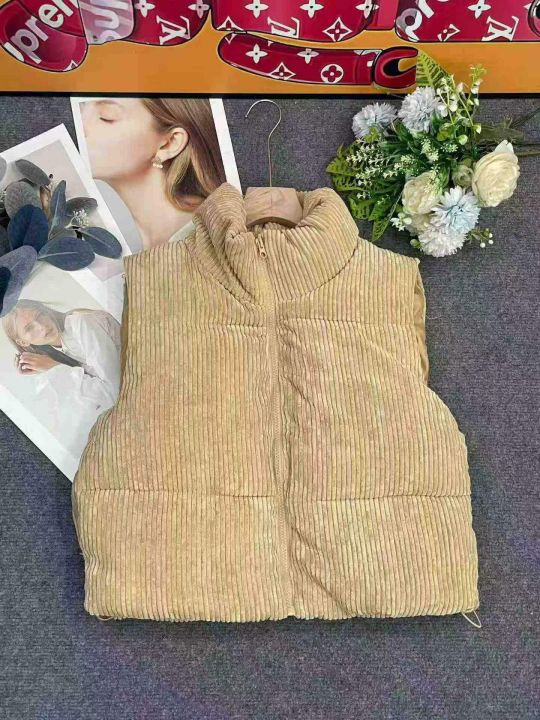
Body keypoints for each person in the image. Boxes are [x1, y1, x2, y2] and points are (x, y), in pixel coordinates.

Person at [81, 97, 227, 249]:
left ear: (169, 143)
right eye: (82, 107)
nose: (81, 126)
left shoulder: (205, 239)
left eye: (106, 116)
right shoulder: (144, 244)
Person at [2, 299, 121, 458]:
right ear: (23, 342)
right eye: (29, 328)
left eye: (40, 315)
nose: (41, 326)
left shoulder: (81, 323)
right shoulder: (59, 349)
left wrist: (54, 368)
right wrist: (47, 370)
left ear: (46, 311)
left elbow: (114, 393)